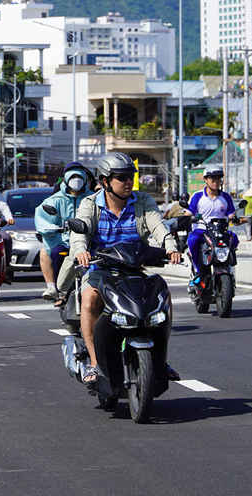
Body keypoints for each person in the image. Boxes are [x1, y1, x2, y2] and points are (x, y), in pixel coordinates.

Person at [70, 152, 182, 385]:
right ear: (105, 181)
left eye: (131, 176)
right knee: (89, 300)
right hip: (101, 269)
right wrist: (81, 250)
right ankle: (93, 362)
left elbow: (157, 225)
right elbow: (79, 231)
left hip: (133, 269)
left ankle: (161, 360)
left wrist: (169, 245)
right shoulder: (90, 203)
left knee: (164, 297)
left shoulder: (143, 201)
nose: (128, 182)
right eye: (121, 178)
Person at [34, 162, 91, 303]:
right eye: (73, 176)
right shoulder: (54, 200)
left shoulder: (92, 198)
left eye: (79, 176)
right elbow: (42, 218)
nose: (76, 180)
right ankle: (60, 290)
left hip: (87, 241)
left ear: (85, 179)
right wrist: (53, 227)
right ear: (66, 179)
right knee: (57, 254)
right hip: (63, 240)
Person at [184, 166, 243, 295]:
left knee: (234, 238)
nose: (216, 181)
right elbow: (188, 214)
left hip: (220, 230)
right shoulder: (197, 196)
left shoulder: (226, 197)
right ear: (205, 179)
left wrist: (237, 220)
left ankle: (229, 267)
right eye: (212, 178)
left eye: (219, 178)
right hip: (202, 230)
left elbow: (231, 215)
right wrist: (184, 220)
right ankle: (198, 271)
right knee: (193, 241)